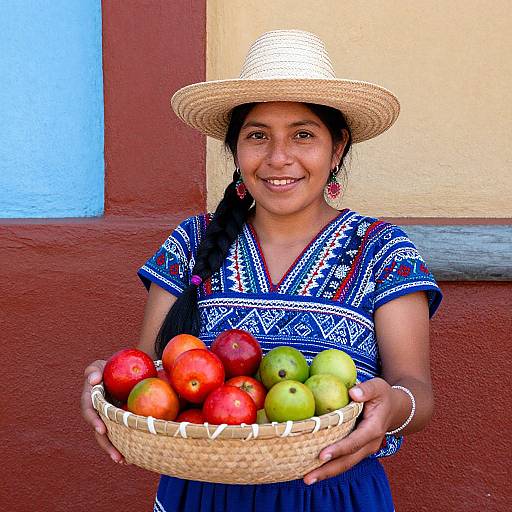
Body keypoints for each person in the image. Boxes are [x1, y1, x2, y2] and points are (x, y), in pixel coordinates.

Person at [81, 30, 443, 512]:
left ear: (337, 149)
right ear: (235, 150)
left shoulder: (383, 251)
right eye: (257, 136)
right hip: (203, 496)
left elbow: (415, 389)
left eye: (303, 134)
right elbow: (149, 376)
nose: (278, 158)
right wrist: (106, 390)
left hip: (331, 494)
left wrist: (392, 408)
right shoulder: (192, 243)